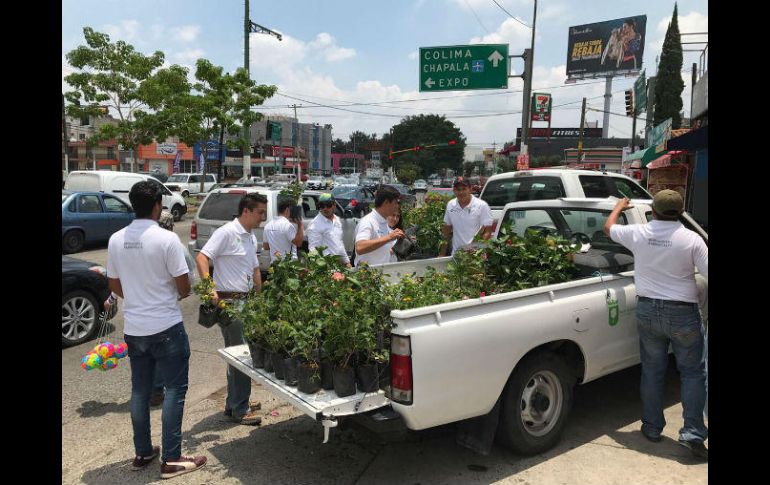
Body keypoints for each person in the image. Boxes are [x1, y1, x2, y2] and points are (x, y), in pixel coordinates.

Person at [106, 181, 206, 479]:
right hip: (165, 326)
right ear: (157, 206)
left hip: (134, 328)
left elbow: (113, 283)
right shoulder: (166, 239)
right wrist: (166, 296)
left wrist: (138, 298)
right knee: (175, 389)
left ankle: (143, 452)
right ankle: (172, 458)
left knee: (140, 390)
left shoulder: (116, 240)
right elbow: (184, 285)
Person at [603, 190, 708, 460]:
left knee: (652, 371)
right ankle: (692, 434)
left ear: (654, 210)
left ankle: (651, 427)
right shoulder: (691, 239)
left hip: (648, 310)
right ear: (681, 212)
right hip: (683, 314)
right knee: (692, 373)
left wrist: (620, 206)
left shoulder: (639, 233)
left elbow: (608, 228)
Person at [195, 193, 267, 426]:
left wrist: (259, 297)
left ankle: (235, 402)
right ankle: (239, 408)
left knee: (238, 354)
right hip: (230, 305)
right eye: (260, 212)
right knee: (242, 355)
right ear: (246, 211)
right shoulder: (226, 232)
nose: (263, 217)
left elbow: (254, 269)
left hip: (247, 303)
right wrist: (209, 289)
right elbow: (202, 257)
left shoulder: (250, 236)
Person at [440, 177, 494, 256]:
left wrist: (476, 249)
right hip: (456, 255)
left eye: (464, 189)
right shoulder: (450, 205)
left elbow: (487, 232)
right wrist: (442, 254)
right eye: (458, 189)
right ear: (454, 190)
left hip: (476, 256)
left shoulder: (482, 206)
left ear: (470, 189)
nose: (461, 192)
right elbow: (446, 231)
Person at [354, 185, 404, 267]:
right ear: (386, 202)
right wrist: (389, 237)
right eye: (395, 203)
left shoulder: (384, 223)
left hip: (382, 273)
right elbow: (360, 247)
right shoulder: (368, 221)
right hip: (368, 274)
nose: (397, 206)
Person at [307, 193, 351, 267]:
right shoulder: (315, 224)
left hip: (338, 265)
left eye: (328, 205)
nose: (325, 208)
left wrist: (346, 262)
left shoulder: (337, 220)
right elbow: (313, 250)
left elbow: (339, 243)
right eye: (322, 206)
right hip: (325, 267)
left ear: (334, 205)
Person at [262, 196, 304, 263]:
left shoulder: (268, 225)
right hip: (288, 264)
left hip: (274, 263)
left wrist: (277, 250)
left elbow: (266, 246)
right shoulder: (287, 225)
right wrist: (300, 225)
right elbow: (298, 243)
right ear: (287, 210)